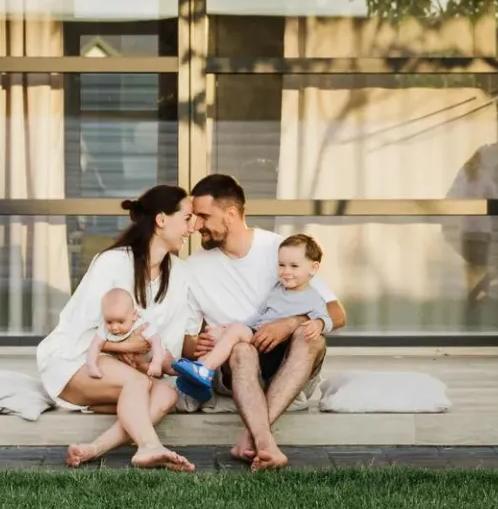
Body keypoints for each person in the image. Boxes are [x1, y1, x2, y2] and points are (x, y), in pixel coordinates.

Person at [179, 175, 347, 471]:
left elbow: (336, 313)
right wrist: (198, 344)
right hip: (236, 363)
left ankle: (251, 436)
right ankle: (267, 445)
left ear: (231, 214)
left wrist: (291, 322)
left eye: (204, 217)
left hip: (287, 362)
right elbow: (186, 339)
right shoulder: (193, 267)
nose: (195, 226)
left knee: (312, 337)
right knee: (242, 351)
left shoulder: (281, 250)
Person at [37, 185, 195, 472]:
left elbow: (166, 348)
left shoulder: (180, 274)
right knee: (138, 384)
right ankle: (149, 446)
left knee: (166, 394)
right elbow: (77, 332)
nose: (192, 228)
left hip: (128, 373)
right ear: (161, 220)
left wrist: (170, 363)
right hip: (76, 361)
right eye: (186, 219)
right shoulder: (112, 262)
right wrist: (127, 347)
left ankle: (92, 449)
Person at [173, 234, 331, 394]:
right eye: (281, 265)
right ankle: (198, 378)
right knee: (215, 333)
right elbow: (259, 316)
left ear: (313, 268)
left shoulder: (313, 297)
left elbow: (327, 319)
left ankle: (205, 369)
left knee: (235, 331)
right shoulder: (278, 290)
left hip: (275, 347)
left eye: (294, 266)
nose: (286, 271)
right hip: (258, 334)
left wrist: (319, 323)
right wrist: (231, 328)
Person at [85, 287, 171, 382]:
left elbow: (156, 340)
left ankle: (177, 371)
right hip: (137, 363)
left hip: (153, 354)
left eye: (120, 322)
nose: (114, 327)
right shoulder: (104, 328)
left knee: (166, 360)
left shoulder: (140, 324)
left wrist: (156, 362)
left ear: (133, 315)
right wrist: (91, 364)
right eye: (109, 322)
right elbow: (95, 345)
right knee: (143, 372)